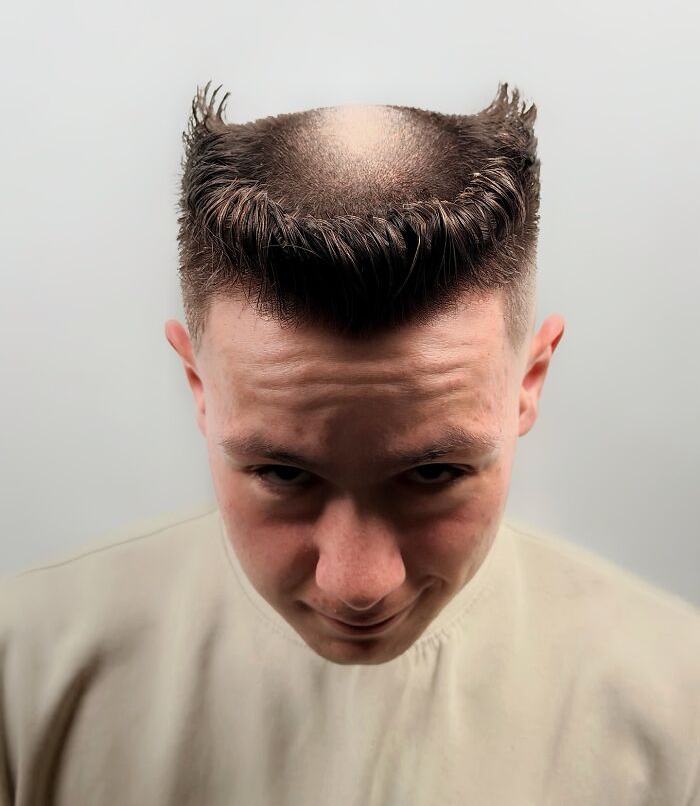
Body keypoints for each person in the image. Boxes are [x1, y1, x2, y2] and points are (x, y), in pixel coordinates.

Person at [1, 83, 698, 806]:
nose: (356, 584)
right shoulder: (18, 674)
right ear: (196, 384)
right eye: (281, 471)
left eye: (432, 471)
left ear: (531, 381)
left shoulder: (682, 713)